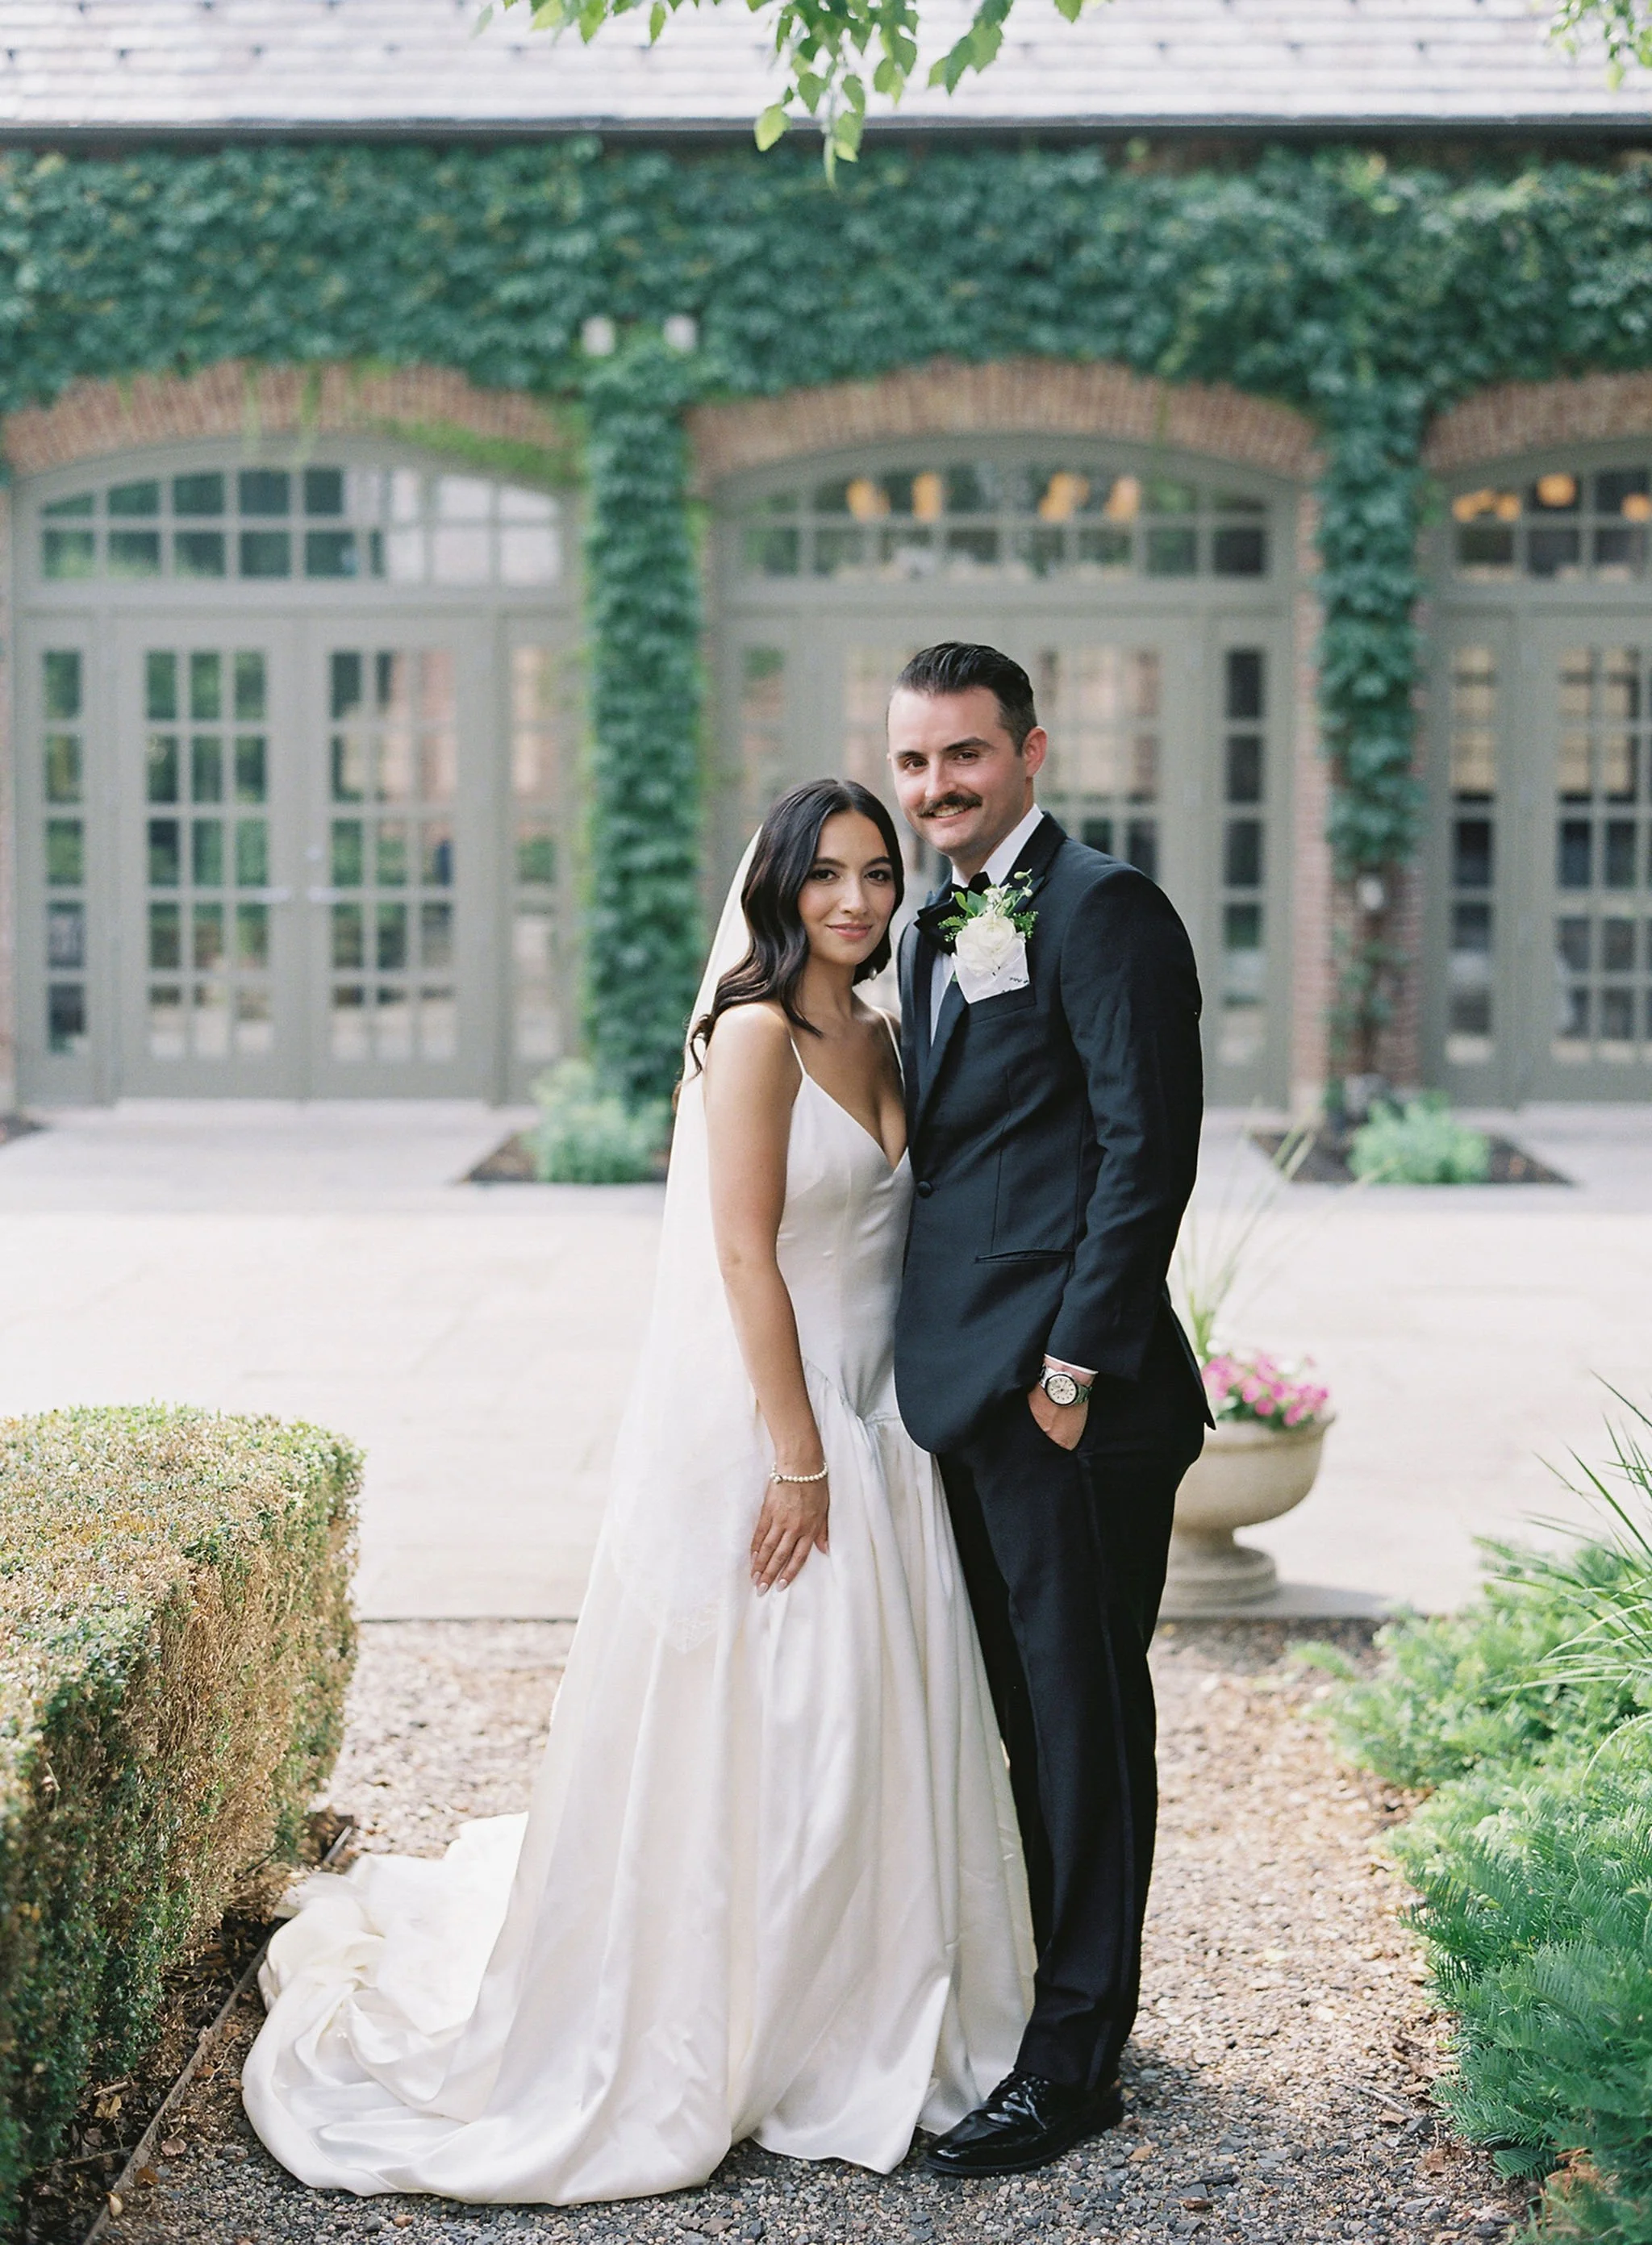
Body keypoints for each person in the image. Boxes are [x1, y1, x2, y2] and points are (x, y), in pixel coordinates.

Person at [241, 777, 1033, 2205]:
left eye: (876, 873)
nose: (856, 900)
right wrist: (797, 1454)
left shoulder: (883, 1022)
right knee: (797, 1716)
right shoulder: (755, 1035)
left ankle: (868, 2003)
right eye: (827, 876)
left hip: (886, 1416)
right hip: (781, 1423)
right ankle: (744, 2016)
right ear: (778, 886)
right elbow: (743, 1257)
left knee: (882, 1721)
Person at [887, 643, 1210, 2179]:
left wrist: (1075, 1368)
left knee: (1082, 1727)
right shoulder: (916, 928)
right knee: (1020, 1721)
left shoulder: (1105, 910)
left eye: (962, 757)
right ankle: (1054, 2001)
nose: (935, 787)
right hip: (964, 1393)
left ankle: (1075, 2062)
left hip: (1072, 1401)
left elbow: (1148, 1149)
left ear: (1027, 751)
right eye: (912, 763)